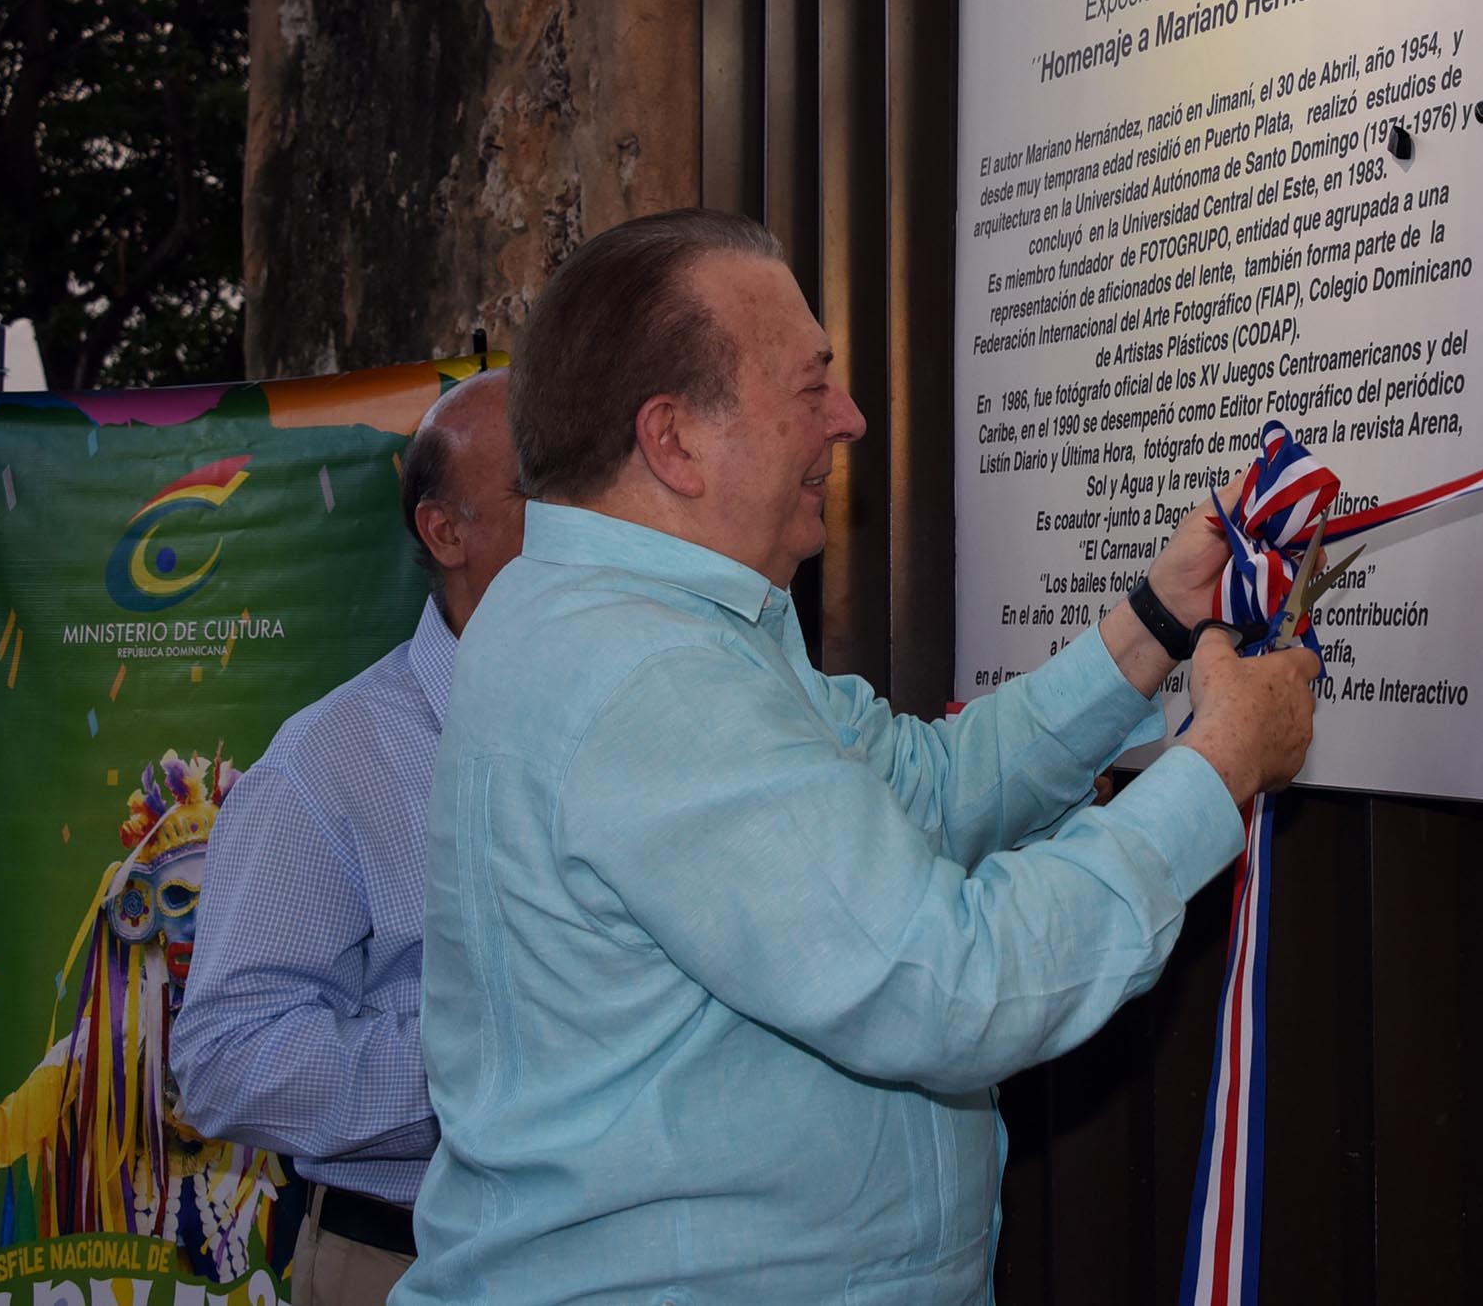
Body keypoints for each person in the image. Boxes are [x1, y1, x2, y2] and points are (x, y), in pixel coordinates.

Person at [398, 209, 1320, 1305]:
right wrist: (1219, 764)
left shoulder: (656, 623)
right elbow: (952, 984)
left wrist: (1154, 621)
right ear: (673, 440)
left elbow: (919, 792)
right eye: (808, 387)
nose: (849, 418)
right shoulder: (646, 678)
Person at [169, 365, 524, 1306]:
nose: (589, 523)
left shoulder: (645, 719)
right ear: (446, 531)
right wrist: (491, 1063)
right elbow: (226, 1060)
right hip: (405, 1259)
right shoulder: (328, 764)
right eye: (541, 493)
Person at [0, 749, 286, 1282]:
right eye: (177, 897)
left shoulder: (263, 1007)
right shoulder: (124, 1032)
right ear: (142, 910)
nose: (196, 919)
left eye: (214, 896)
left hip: (227, 1212)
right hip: (141, 1217)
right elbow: (65, 1074)